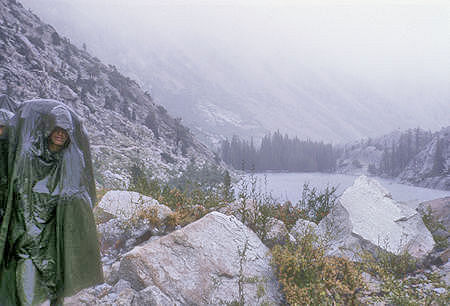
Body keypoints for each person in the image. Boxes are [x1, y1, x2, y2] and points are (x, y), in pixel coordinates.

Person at [0, 99, 103, 305]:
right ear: (49, 128)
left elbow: (79, 195)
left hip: (55, 231)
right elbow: (22, 193)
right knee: (26, 279)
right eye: (57, 129)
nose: (60, 134)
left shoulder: (72, 160)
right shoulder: (30, 155)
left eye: (65, 132)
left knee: (53, 282)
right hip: (27, 233)